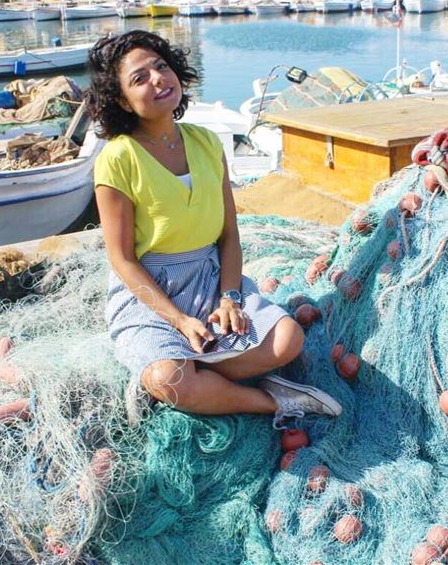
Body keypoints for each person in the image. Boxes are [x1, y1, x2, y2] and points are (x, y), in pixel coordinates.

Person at [87, 31, 341, 428]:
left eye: (161, 66)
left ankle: (200, 379)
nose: (157, 79)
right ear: (121, 100)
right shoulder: (117, 159)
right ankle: (272, 401)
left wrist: (229, 298)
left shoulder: (206, 143)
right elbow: (121, 259)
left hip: (208, 278)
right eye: (139, 78)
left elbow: (228, 235)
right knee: (168, 380)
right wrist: (178, 320)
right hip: (151, 294)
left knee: (288, 339)